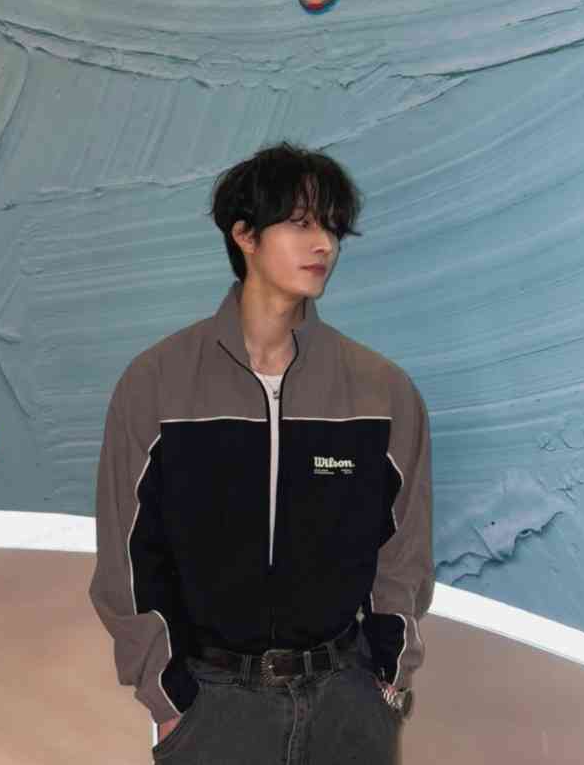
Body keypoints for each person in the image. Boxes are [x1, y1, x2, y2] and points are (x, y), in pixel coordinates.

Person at [88, 140, 435, 764]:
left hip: (347, 704)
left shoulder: (383, 392)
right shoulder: (157, 384)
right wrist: (169, 699)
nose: (323, 244)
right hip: (213, 706)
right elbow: (129, 558)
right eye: (301, 224)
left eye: (332, 227)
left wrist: (387, 679)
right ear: (245, 234)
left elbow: (403, 554)